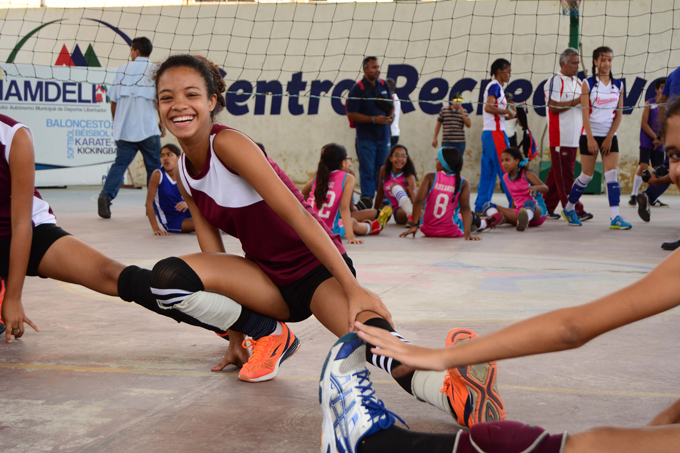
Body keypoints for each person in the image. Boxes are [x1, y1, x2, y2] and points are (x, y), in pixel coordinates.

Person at [151, 53, 505, 424]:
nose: (178, 105)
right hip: (264, 277)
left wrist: (351, 287)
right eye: (166, 97)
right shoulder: (185, 173)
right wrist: (237, 334)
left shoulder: (229, 145)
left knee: (372, 343)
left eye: (191, 94)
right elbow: (214, 255)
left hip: (313, 269)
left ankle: (451, 391)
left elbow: (299, 213)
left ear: (211, 102)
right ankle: (268, 334)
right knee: (166, 281)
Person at [0, 112, 301, 383]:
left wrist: (13, 297)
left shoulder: (14, 136)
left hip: (22, 232)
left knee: (116, 276)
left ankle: (257, 326)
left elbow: (22, 224)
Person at [562, 46, 631, 229]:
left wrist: (609, 136)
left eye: (609, 59)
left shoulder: (619, 85)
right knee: (586, 176)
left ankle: (615, 218)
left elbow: (619, 114)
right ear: (595, 62)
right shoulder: (588, 84)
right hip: (590, 134)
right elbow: (585, 112)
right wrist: (591, 138)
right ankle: (569, 208)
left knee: (612, 174)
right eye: (603, 59)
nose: (607, 63)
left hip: (609, 135)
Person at [98, 37, 163, 219]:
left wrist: (116, 121)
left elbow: (113, 100)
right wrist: (162, 123)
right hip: (148, 129)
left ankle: (105, 196)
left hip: (125, 130)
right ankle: (154, 204)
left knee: (120, 165)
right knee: (155, 168)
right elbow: (160, 101)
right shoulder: (155, 71)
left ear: (135, 51)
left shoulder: (123, 70)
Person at [400, 147, 501, 240]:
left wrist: (414, 225)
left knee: (459, 215)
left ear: (443, 163)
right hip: (452, 231)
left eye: (437, 159)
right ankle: (485, 223)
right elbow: (465, 208)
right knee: (470, 216)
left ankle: (481, 223)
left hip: (427, 230)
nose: (436, 161)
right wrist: (467, 234)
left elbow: (418, 201)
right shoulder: (463, 182)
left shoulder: (430, 177)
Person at [304, 143, 391, 244]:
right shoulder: (348, 178)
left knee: (351, 218)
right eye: (348, 158)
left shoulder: (319, 175)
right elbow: (344, 208)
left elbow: (304, 192)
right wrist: (351, 238)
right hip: (328, 230)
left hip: (307, 228)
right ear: (342, 163)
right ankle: (373, 227)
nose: (350, 163)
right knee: (352, 221)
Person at [543, 47, 591, 222]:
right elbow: (554, 106)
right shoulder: (554, 80)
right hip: (560, 136)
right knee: (566, 175)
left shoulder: (579, 83)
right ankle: (574, 208)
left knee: (557, 175)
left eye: (578, 63)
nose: (577, 66)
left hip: (574, 137)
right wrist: (578, 100)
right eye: (573, 63)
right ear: (563, 63)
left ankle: (545, 207)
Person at [346, 57, 394, 204]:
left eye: (378, 67)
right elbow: (351, 113)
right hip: (366, 137)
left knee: (383, 169)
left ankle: (384, 198)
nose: (377, 70)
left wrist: (390, 117)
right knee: (367, 169)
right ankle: (367, 198)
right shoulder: (357, 88)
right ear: (365, 69)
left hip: (384, 136)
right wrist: (374, 119)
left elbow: (391, 105)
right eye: (374, 67)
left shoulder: (384, 84)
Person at [474, 59, 516, 214]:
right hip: (495, 134)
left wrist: (511, 113)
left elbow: (494, 113)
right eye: (508, 71)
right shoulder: (495, 86)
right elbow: (489, 107)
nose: (509, 75)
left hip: (488, 133)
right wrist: (507, 111)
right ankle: (515, 204)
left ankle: (480, 206)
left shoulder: (495, 88)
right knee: (506, 170)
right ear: (499, 71)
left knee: (488, 172)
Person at [483, 147, 549, 231]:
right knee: (487, 205)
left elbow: (546, 188)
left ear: (517, 160)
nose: (504, 163)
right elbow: (514, 198)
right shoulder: (505, 178)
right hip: (519, 212)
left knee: (529, 203)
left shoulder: (527, 173)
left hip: (537, 212)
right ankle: (496, 219)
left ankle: (525, 217)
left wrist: (536, 187)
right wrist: (511, 211)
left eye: (507, 160)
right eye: (502, 160)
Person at [631, 78, 670, 214]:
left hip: (660, 142)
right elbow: (644, 123)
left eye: (665, 88)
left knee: (659, 170)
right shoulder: (650, 103)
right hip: (648, 140)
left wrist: (661, 139)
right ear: (656, 89)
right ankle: (634, 195)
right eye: (661, 87)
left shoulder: (669, 106)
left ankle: (650, 197)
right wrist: (656, 138)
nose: (663, 90)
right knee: (643, 165)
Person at [145, 143, 195, 235]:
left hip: (188, 213)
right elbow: (148, 203)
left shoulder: (184, 173)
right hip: (172, 220)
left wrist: (187, 203)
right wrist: (156, 228)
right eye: (162, 156)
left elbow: (196, 195)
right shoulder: (157, 175)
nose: (165, 158)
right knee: (204, 225)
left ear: (179, 157)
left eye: (169, 154)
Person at [373, 145, 417, 226]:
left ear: (406, 159)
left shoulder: (409, 176)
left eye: (403, 156)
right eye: (396, 155)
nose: (400, 159)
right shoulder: (384, 170)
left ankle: (414, 215)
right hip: (397, 209)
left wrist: (417, 210)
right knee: (398, 212)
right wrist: (374, 213)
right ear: (390, 158)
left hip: (411, 205)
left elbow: (414, 195)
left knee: (395, 186)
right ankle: (415, 216)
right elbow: (380, 193)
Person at [387, 78, 401, 147]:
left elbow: (392, 116)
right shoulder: (394, 98)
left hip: (391, 133)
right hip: (392, 133)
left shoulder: (393, 99)